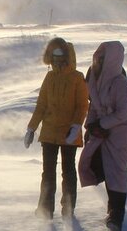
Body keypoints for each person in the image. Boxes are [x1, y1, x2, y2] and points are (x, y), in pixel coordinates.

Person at [25, 38, 89, 218]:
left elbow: (82, 106)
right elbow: (42, 105)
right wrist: (31, 128)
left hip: (69, 133)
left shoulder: (77, 78)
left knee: (68, 170)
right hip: (49, 132)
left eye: (60, 55)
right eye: (53, 55)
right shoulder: (50, 76)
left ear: (68, 57)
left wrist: (76, 126)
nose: (56, 59)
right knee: (48, 172)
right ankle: (45, 208)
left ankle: (68, 207)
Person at [79, 40, 127, 231]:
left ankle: (116, 216)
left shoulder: (122, 84)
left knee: (117, 172)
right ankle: (112, 209)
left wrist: (101, 124)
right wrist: (90, 127)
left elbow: (122, 114)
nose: (99, 62)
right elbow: (93, 106)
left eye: (103, 59)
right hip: (100, 132)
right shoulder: (95, 81)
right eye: (98, 58)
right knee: (98, 166)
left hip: (119, 134)